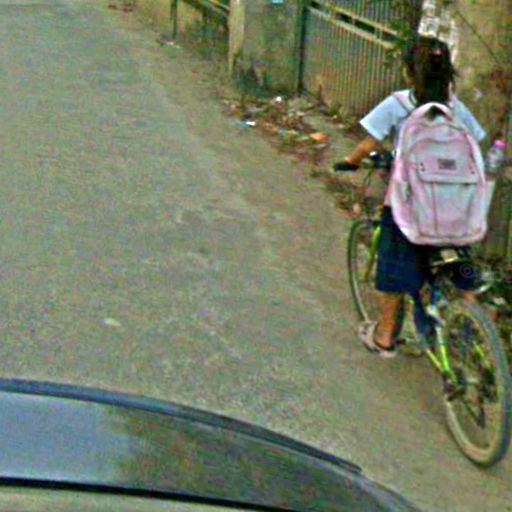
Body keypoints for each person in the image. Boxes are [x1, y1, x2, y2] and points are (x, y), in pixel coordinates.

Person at [335, 36, 487, 358]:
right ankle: (478, 332)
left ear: (408, 72)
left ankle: (385, 337)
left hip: (410, 213)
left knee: (393, 273)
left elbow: (368, 144)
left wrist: (351, 162)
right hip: (456, 212)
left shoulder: (399, 103)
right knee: (461, 268)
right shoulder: (456, 109)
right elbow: (476, 144)